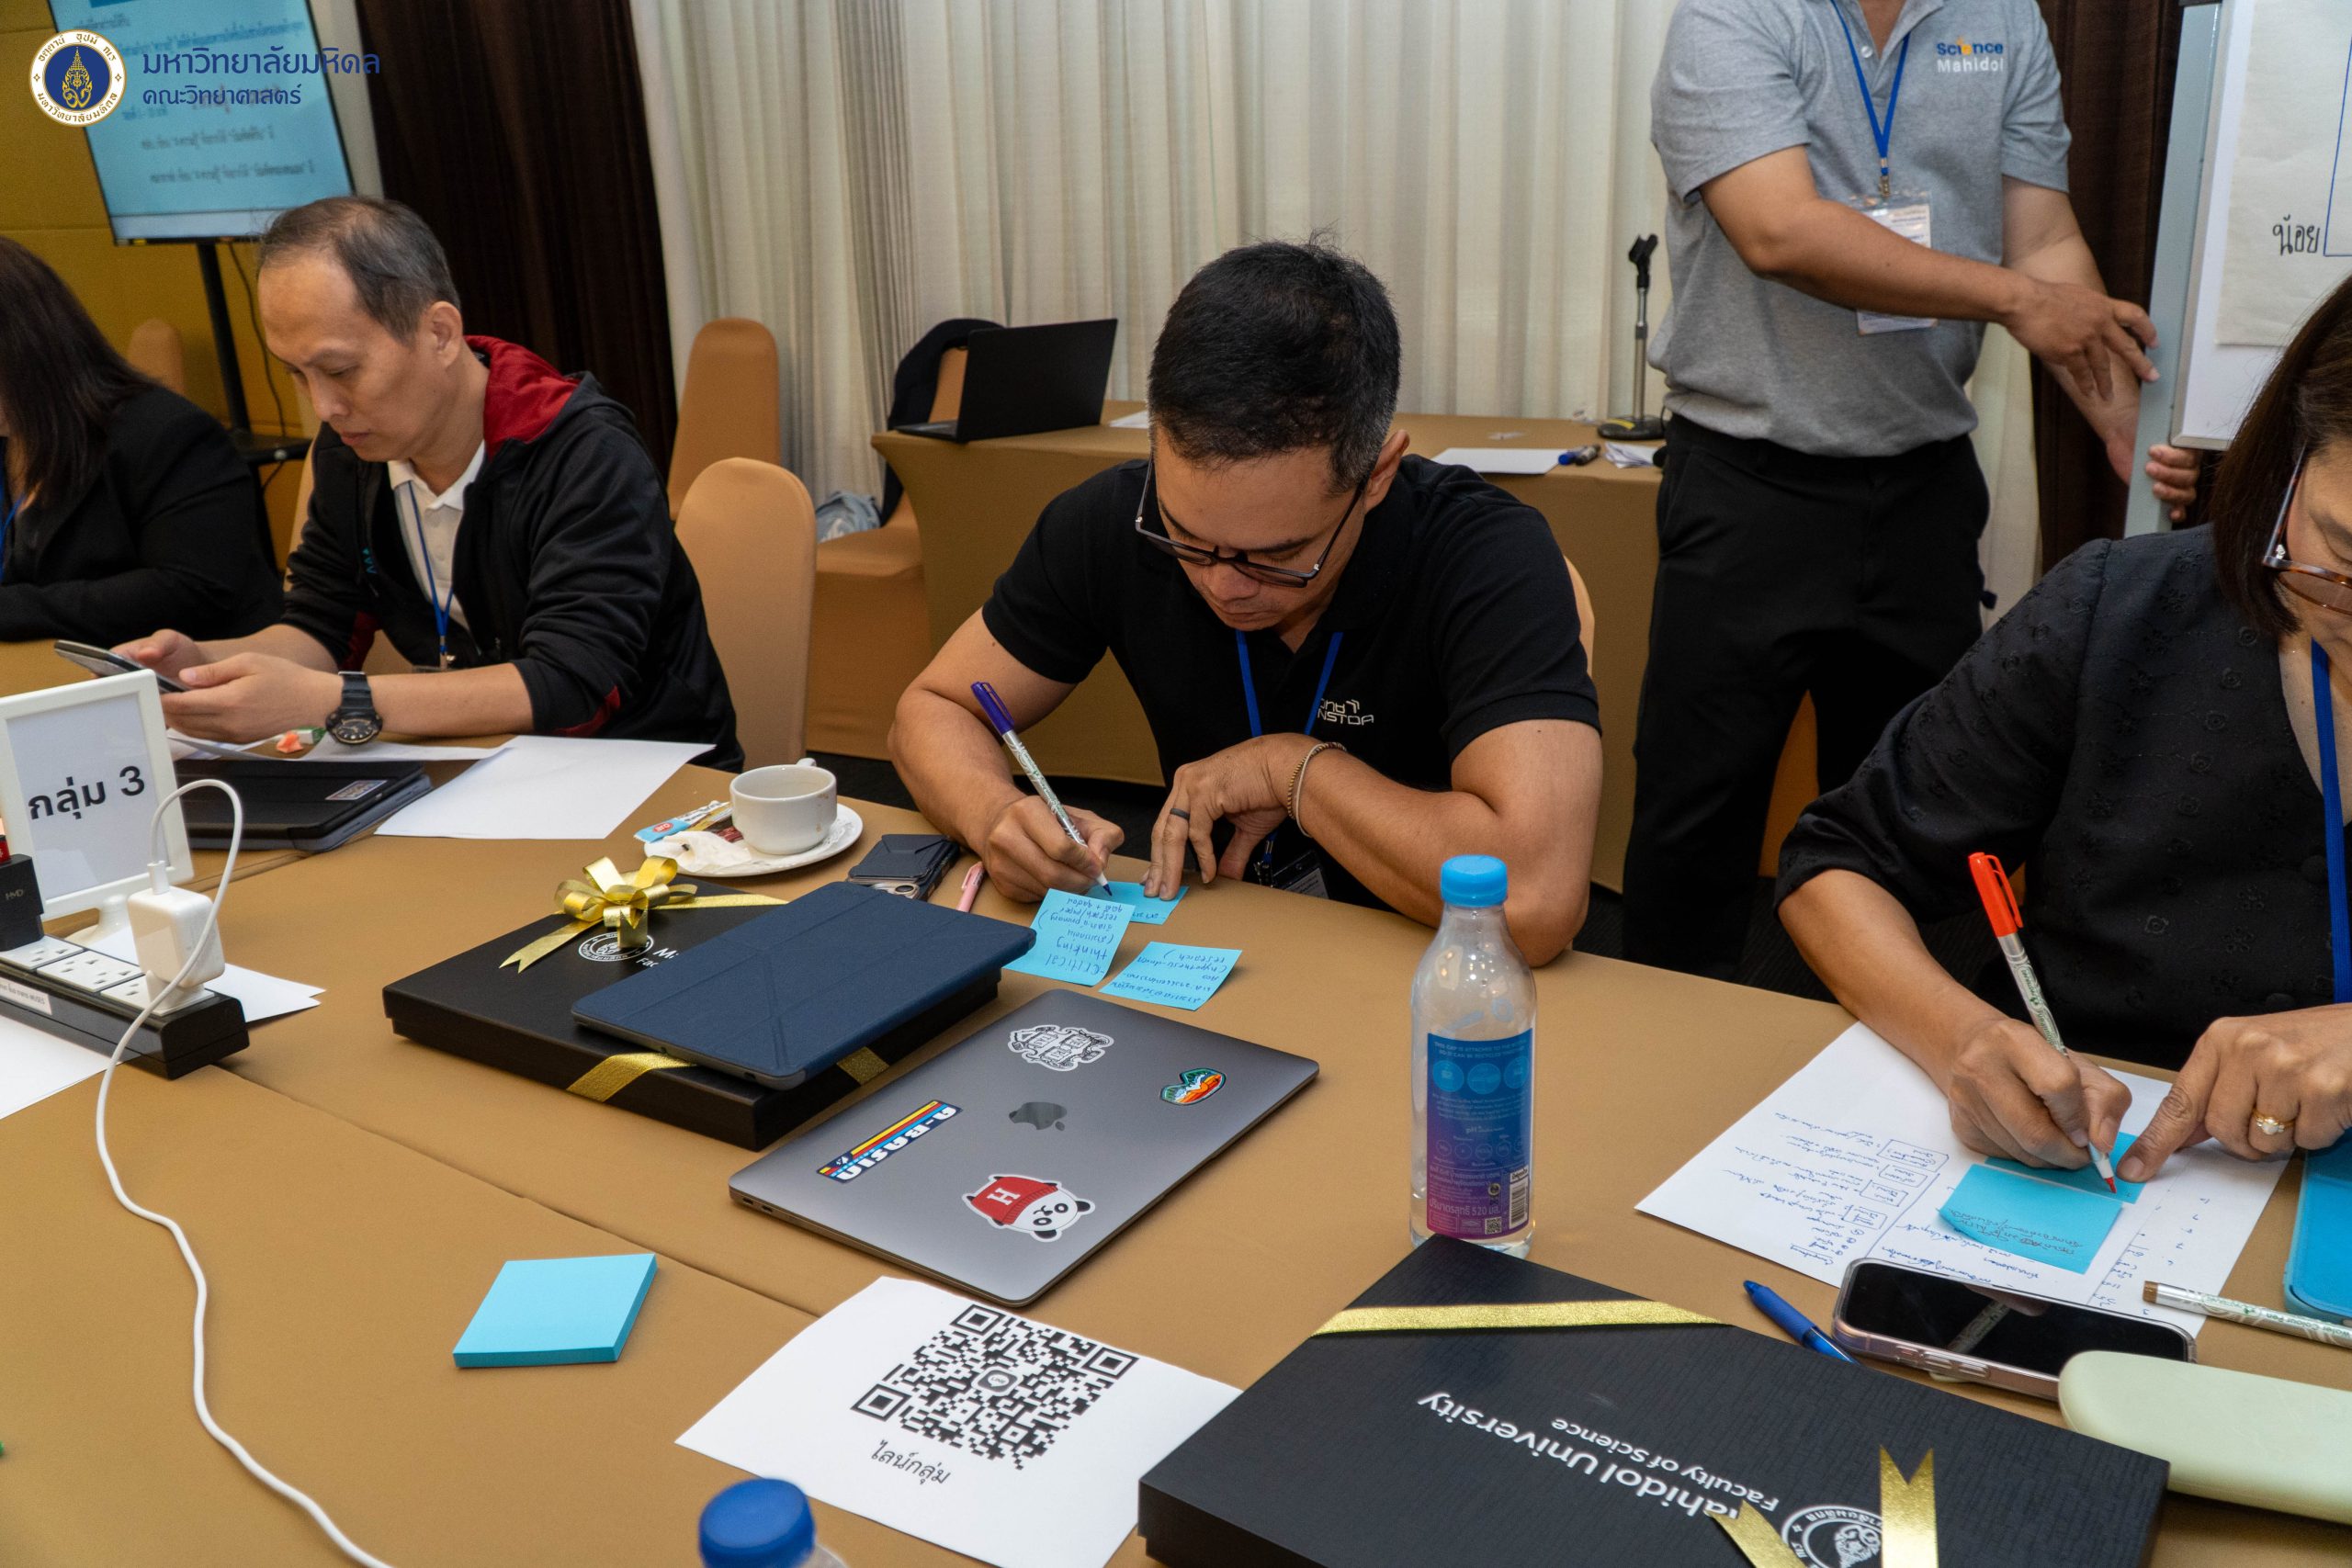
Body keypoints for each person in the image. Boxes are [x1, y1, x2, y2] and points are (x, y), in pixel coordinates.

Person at [1627, 0, 2203, 978]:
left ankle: (1893, 1051)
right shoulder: (1733, 17)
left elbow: (2042, 241)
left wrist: (2123, 423)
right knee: (1699, 814)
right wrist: (2015, 301)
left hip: (1923, 489)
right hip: (1749, 487)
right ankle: (1663, 1046)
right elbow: (1780, 231)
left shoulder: (2002, 18)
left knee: (1918, 815)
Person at [1776, 271, 2352, 1186]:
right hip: (2099, 1170)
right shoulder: (2120, 614)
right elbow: (1840, 862)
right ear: (2283, 466)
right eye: (2341, 554)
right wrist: (1963, 1038)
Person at [890, 241, 1601, 963]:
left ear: (1377, 475)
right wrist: (995, 813)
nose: (1224, 584)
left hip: (1427, 970)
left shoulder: (1488, 557)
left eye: (1277, 555)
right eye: (1187, 537)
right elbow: (934, 708)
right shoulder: (1113, 521)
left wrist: (1291, 771)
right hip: (1224, 952)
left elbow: (1535, 899)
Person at [116, 197, 740, 767]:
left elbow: (572, 685)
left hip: (645, 782)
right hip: (480, 771)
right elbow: (322, 624)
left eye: (340, 370)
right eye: (297, 375)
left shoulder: (581, 451)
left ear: (439, 333)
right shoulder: (353, 449)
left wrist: (338, 701)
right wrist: (204, 668)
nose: (324, 406)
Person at [0, 239, 280, 647]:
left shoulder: (166, 433)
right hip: (52, 666)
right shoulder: (11, 437)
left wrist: (17, 609)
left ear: (25, 350)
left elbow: (192, 588)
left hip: (201, 668)